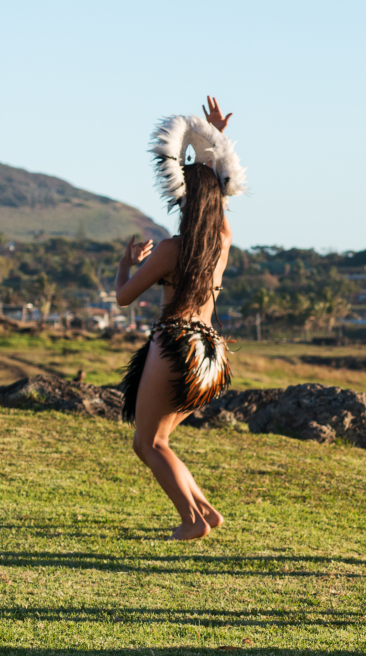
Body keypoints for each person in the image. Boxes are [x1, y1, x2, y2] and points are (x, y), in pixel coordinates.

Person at [116, 97, 244, 541]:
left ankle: (192, 522)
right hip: (212, 355)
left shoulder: (170, 250)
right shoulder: (223, 242)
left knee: (147, 443)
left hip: (176, 346)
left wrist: (127, 264)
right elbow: (217, 191)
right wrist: (214, 141)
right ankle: (205, 512)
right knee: (159, 442)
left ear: (182, 199)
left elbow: (123, 299)